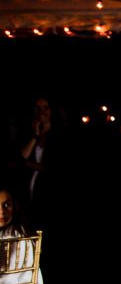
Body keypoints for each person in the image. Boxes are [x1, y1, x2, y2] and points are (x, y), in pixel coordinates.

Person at [18, 97, 67, 231]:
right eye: (38, 108)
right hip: (29, 199)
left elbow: (54, 167)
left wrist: (28, 164)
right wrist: (35, 136)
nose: (41, 112)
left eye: (45, 108)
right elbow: (21, 158)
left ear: (52, 111)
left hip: (50, 200)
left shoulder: (59, 135)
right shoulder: (30, 133)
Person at [0, 185, 45, 284]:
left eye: (7, 205)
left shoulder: (15, 237)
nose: (2, 211)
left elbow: (11, 280)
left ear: (15, 207)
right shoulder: (4, 234)